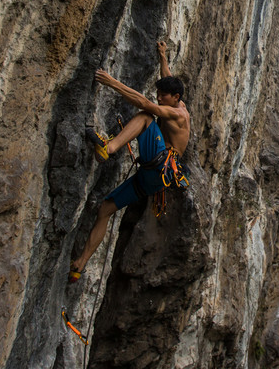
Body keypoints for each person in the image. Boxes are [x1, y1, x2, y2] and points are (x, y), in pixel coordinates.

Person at [69, 40, 190, 283]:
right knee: (105, 209)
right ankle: (79, 265)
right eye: (159, 94)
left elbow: (146, 105)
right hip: (152, 179)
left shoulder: (178, 113)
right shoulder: (177, 101)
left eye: (162, 96)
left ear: (174, 98)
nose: (158, 97)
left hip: (159, 165)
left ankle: (108, 147)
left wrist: (111, 81)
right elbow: (168, 80)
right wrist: (163, 57)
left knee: (147, 116)